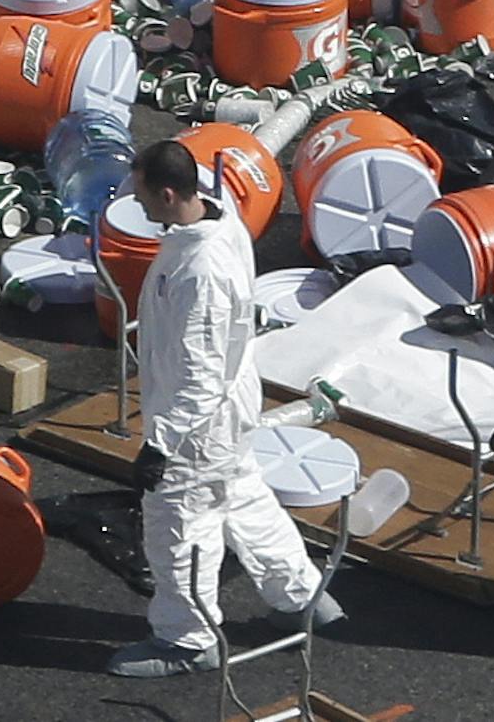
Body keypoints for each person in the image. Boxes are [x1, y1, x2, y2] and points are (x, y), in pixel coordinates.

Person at [110, 140, 343, 679]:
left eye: (143, 195)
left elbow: (200, 373)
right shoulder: (218, 218)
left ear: (168, 195)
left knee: (180, 524)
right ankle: (303, 597)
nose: (138, 205)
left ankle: (188, 640)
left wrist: (160, 445)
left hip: (198, 425)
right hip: (228, 412)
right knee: (242, 497)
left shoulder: (203, 272)